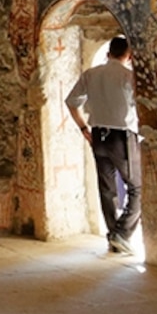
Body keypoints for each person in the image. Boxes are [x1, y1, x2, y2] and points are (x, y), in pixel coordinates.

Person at [64, 35, 141, 252]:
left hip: (98, 135)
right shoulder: (129, 76)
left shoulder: (91, 74)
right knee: (137, 187)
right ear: (129, 55)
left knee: (107, 188)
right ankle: (121, 233)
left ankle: (113, 237)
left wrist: (83, 128)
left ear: (108, 53)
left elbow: (71, 102)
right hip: (122, 136)